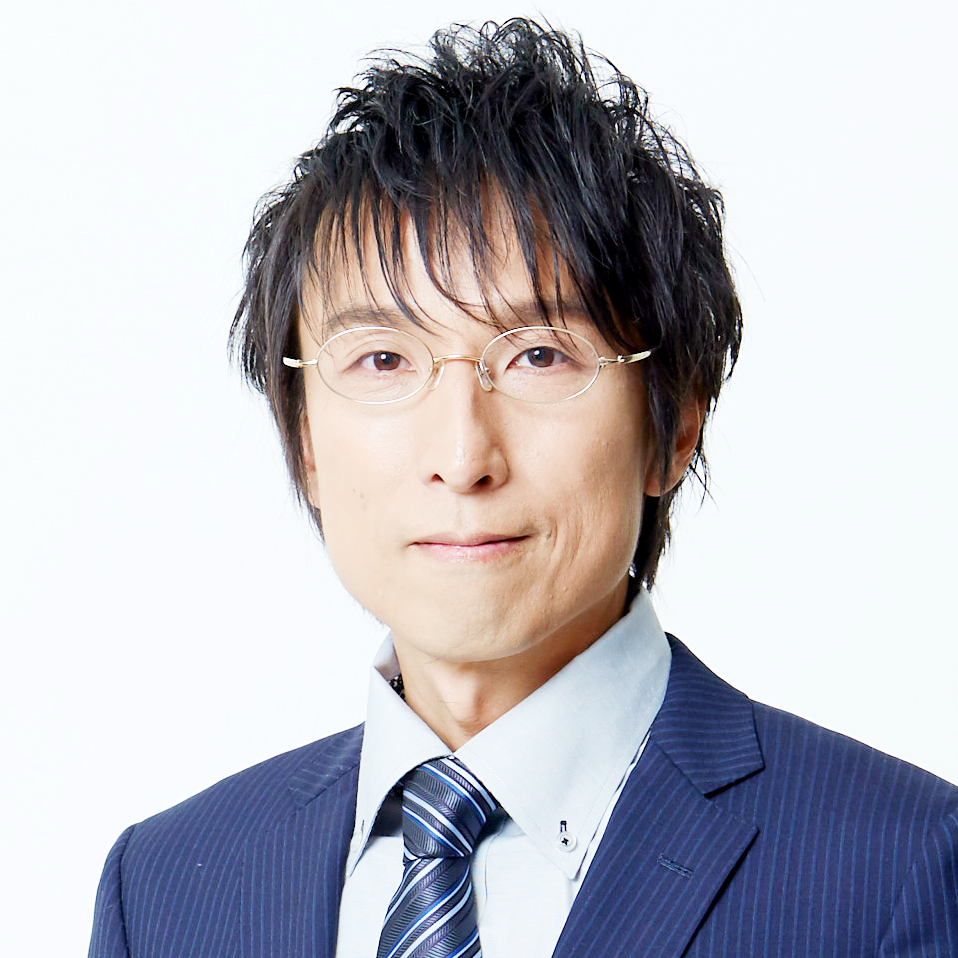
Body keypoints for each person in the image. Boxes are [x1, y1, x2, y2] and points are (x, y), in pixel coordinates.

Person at [88, 18, 958, 958]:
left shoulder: (900, 867)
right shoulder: (165, 890)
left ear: (675, 424)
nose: (463, 456)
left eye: (539, 355)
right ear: (305, 439)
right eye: (383, 359)